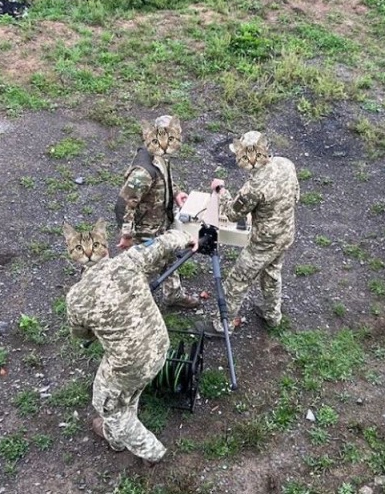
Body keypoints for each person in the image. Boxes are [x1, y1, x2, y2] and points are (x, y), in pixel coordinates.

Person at [63, 223, 198, 464]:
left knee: (108, 406)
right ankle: (115, 438)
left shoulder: (77, 298)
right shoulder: (130, 260)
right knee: (125, 392)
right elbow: (164, 243)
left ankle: (151, 451)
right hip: (159, 347)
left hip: (128, 365)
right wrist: (188, 236)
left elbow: (81, 335)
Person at [208, 130, 300, 334]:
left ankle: (222, 325)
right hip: (286, 234)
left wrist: (221, 192)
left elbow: (232, 214)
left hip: (263, 243)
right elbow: (296, 196)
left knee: (237, 280)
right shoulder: (286, 164)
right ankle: (272, 315)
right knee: (272, 272)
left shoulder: (253, 187)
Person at [114, 114, 198, 309]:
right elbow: (124, 203)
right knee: (143, 268)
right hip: (146, 230)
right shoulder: (143, 172)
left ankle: (173, 295)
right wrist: (127, 235)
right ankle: (127, 306)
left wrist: (176, 192)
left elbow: (165, 178)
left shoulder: (160, 156)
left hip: (160, 223)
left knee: (169, 256)